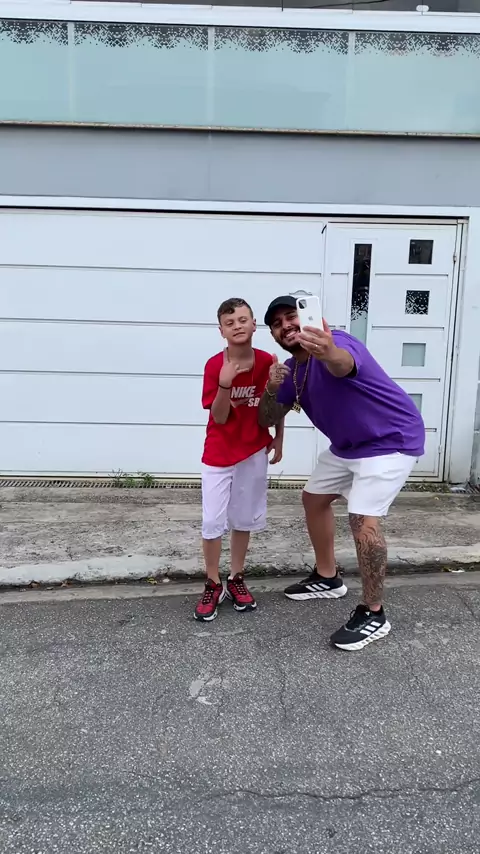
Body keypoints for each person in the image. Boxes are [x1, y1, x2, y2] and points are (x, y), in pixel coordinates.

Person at [258, 295, 425, 651]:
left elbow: (342, 364)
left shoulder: (338, 342)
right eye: (276, 324)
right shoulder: (290, 370)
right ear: (273, 334)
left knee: (363, 519)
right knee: (313, 498)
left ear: (309, 318)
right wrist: (271, 388)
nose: (286, 325)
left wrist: (328, 350)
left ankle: (374, 613)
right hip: (349, 446)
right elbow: (266, 418)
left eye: (291, 316)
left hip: (390, 440)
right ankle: (328, 576)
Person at [195, 297, 284, 622]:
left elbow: (277, 403)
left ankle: (236, 577)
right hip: (219, 453)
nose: (237, 326)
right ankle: (212, 582)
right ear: (221, 331)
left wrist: (279, 437)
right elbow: (219, 417)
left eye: (243, 320)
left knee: (244, 519)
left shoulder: (267, 361)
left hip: (253, 451)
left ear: (254, 324)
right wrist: (225, 383)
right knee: (212, 522)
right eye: (230, 323)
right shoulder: (214, 366)